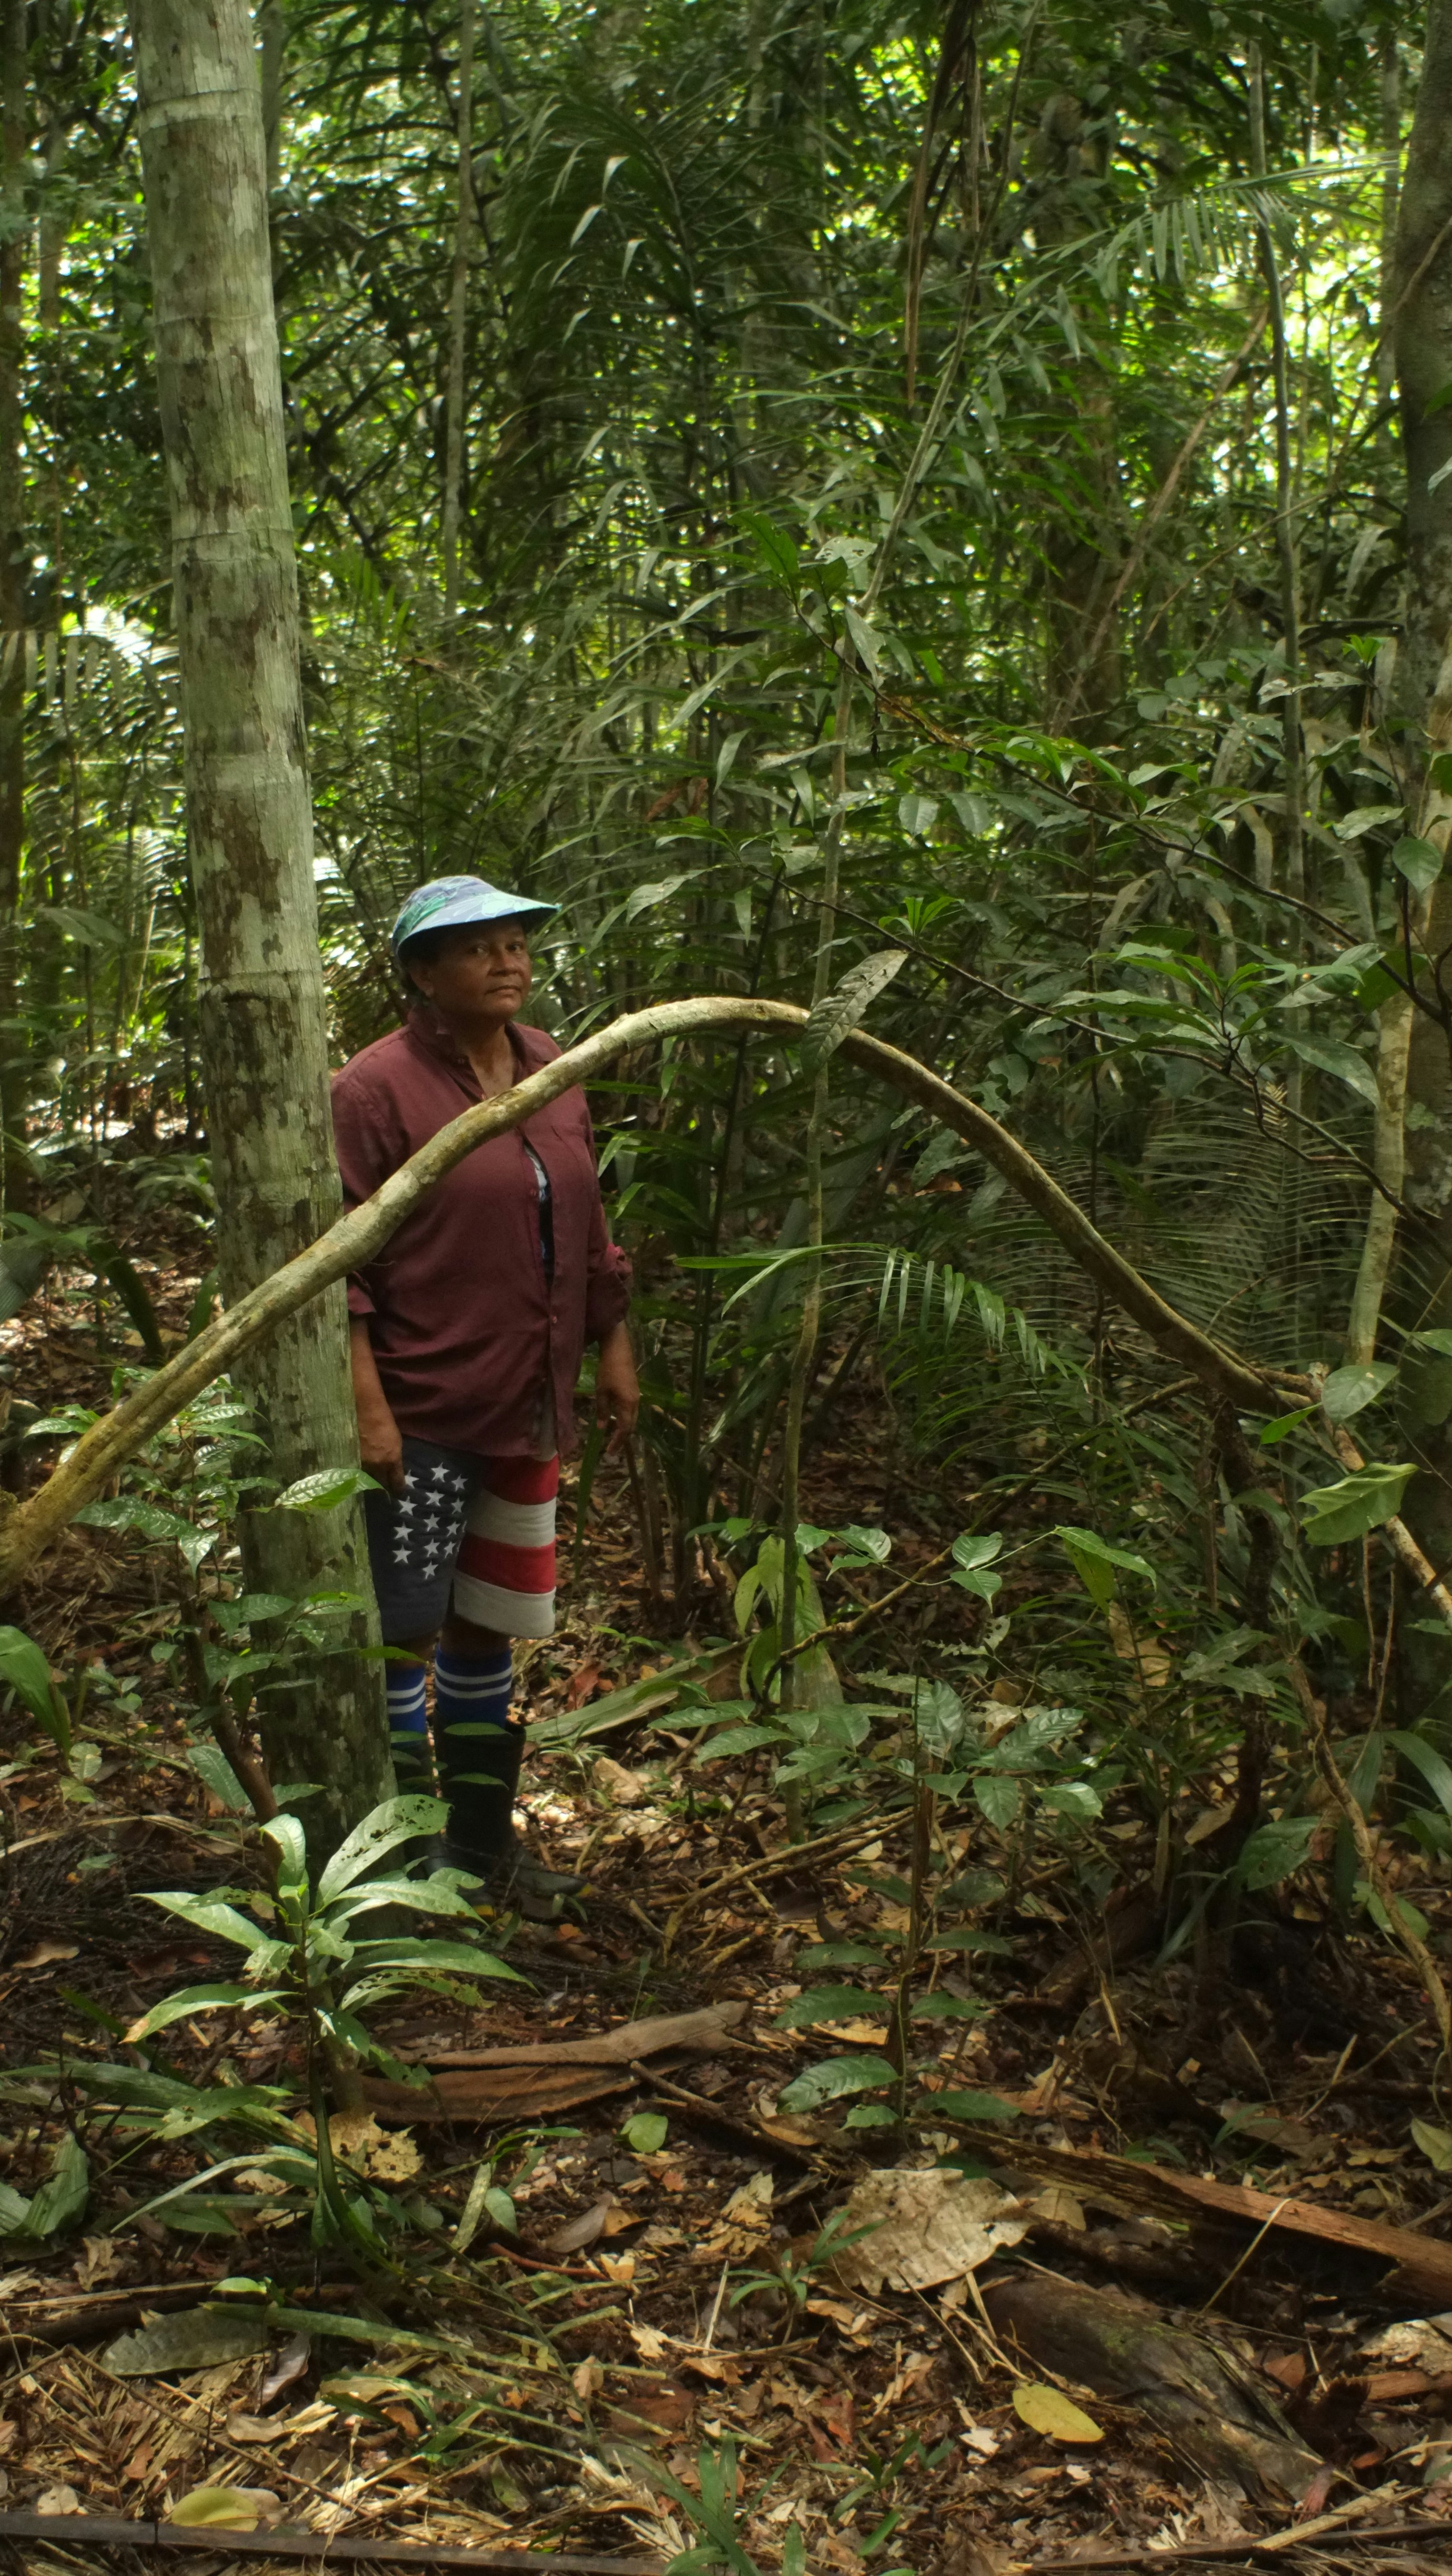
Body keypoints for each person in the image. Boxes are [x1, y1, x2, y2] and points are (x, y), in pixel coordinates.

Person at [330, 874, 639, 1916]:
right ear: (422, 974)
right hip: (426, 1411)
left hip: (527, 1402)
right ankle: (404, 1871)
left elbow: (589, 1221)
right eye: (478, 948)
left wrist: (614, 1342)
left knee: (487, 1630)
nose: (509, 960)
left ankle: (479, 1850)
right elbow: (344, 1265)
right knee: (405, 1633)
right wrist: (369, 1407)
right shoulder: (372, 1092)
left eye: (517, 942)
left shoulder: (553, 1065)